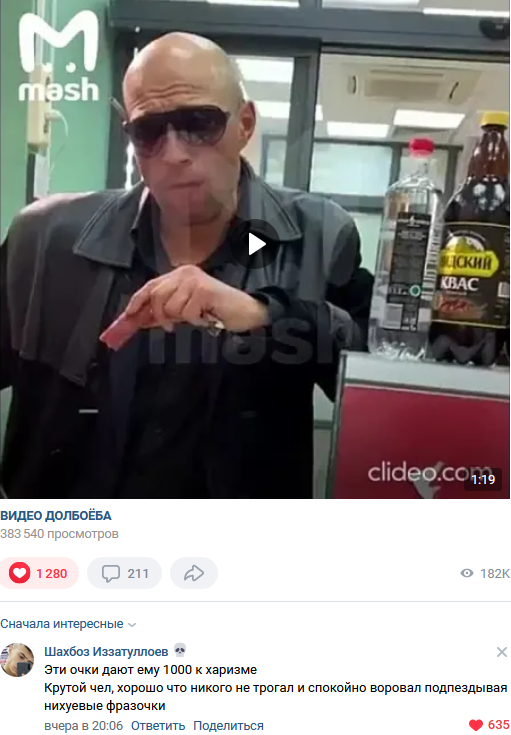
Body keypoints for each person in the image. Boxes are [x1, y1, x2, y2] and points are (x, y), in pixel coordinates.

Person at [0, 32, 373, 499]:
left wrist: (267, 315)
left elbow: (378, 382)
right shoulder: (47, 240)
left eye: (199, 123)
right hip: (67, 534)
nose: (174, 153)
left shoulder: (315, 237)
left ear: (245, 124)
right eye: (149, 131)